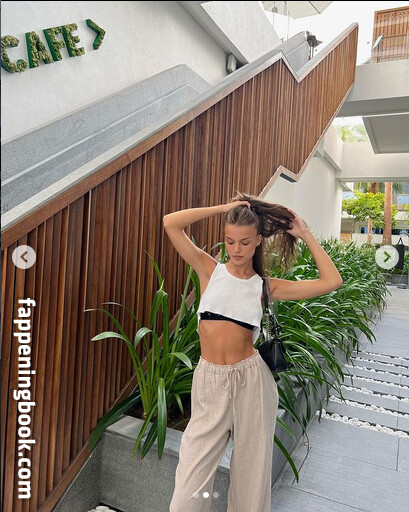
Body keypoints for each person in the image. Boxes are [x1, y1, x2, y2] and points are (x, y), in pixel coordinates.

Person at [163, 192, 343, 511]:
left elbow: (331, 281)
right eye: (230, 241)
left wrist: (304, 233)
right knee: (189, 481)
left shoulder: (264, 287)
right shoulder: (210, 271)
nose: (236, 250)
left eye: (245, 242)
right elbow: (170, 224)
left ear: (258, 241)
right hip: (210, 381)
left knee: (252, 477)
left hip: (252, 382)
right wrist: (223, 208)